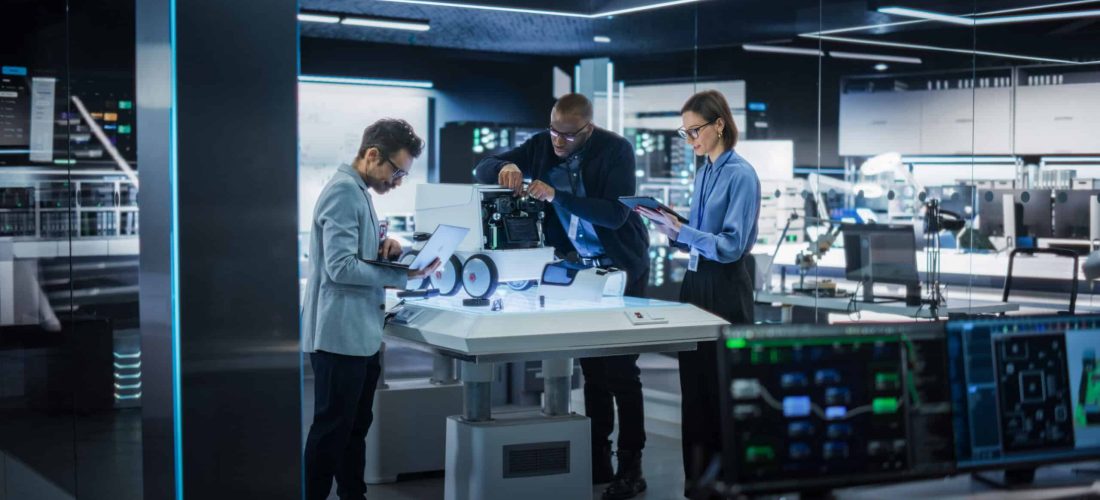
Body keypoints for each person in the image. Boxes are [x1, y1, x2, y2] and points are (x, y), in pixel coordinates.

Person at [475, 93, 651, 500]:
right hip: (581, 268)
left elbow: (614, 214)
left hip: (622, 265)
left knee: (621, 369)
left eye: (567, 136)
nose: (557, 142)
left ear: (587, 129)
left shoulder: (617, 151)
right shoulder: (541, 143)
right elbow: (483, 165)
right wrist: (507, 166)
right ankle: (597, 457)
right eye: (553, 131)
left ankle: (631, 466)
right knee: (592, 368)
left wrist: (556, 195)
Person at [301, 118, 441, 500]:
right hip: (338, 336)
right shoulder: (344, 192)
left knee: (354, 428)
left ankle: (353, 495)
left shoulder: (358, 191)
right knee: (332, 430)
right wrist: (402, 273)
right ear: (372, 154)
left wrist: (385, 247)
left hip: (358, 335)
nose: (397, 182)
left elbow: (354, 254)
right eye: (396, 171)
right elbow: (340, 267)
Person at [636, 90, 760, 498]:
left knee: (720, 387)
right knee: (694, 385)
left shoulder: (740, 174)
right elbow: (701, 235)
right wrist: (674, 227)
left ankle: (727, 481)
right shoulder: (705, 170)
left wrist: (684, 232)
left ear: (719, 125)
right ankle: (697, 481)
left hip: (725, 285)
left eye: (695, 131)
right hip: (695, 283)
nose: (690, 140)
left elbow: (730, 245)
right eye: (684, 132)